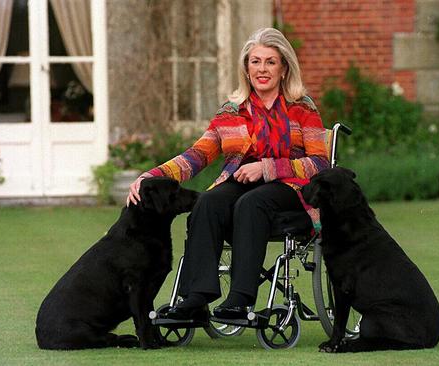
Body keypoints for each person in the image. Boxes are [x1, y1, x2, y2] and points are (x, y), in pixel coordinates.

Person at [127, 27, 329, 321]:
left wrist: (268, 167)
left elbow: (320, 164)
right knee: (207, 202)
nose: (262, 69)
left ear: (284, 68)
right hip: (242, 185)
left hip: (293, 190)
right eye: (255, 61)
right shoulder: (231, 112)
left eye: (270, 62)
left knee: (252, 203)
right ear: (246, 69)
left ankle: (239, 299)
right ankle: (195, 299)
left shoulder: (302, 109)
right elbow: (196, 156)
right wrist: (151, 175)